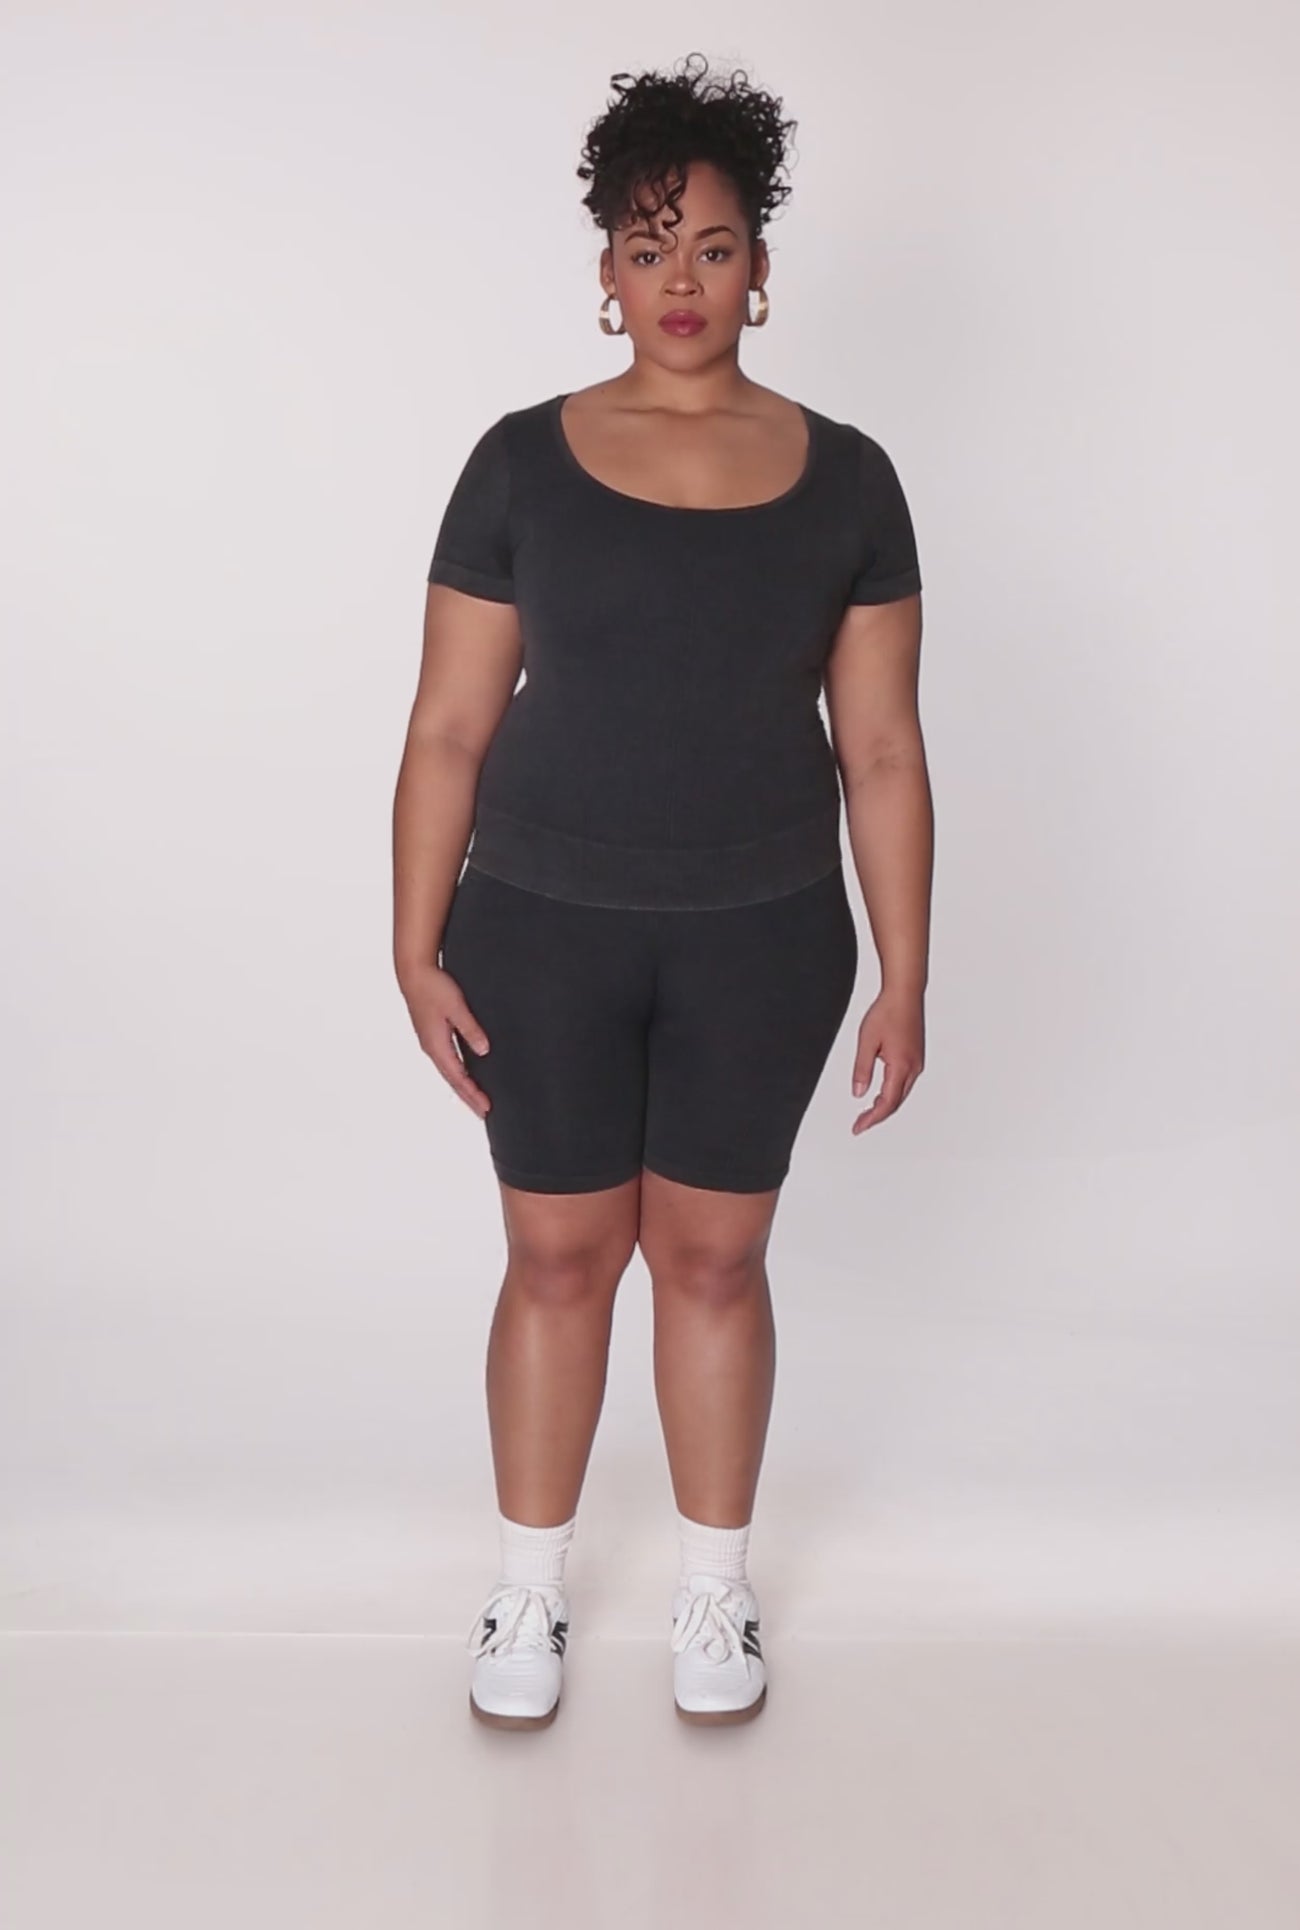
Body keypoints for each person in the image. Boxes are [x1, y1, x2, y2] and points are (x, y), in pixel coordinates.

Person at [391, 53, 931, 1730]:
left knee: (712, 1259)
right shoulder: (518, 463)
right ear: (606, 273)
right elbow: (449, 724)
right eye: (647, 249)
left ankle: (715, 1592)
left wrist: (907, 973)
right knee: (559, 1259)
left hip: (760, 935)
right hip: (539, 925)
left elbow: (883, 750)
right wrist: (412, 943)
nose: (679, 280)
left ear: (760, 266)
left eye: (710, 246)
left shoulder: (851, 478)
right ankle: (527, 1588)